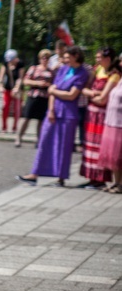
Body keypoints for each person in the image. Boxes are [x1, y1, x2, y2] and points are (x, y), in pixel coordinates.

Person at [17, 46, 89, 187]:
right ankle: (35, 173)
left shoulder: (82, 73)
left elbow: (71, 95)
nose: (65, 59)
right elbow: (52, 90)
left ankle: (61, 177)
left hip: (68, 113)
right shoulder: (63, 69)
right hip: (54, 110)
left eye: (68, 57)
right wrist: (50, 109)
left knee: (64, 145)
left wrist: (55, 91)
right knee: (44, 141)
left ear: (76, 56)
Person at [78, 47, 120, 189]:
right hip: (91, 114)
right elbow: (84, 88)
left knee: (98, 147)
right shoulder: (97, 70)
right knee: (89, 146)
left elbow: (103, 99)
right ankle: (91, 177)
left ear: (107, 59)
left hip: (102, 116)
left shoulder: (114, 75)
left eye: (98, 57)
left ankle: (99, 178)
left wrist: (91, 95)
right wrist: (93, 94)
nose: (96, 60)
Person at [15, 49, 54, 148]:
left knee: (41, 120)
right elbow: (26, 81)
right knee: (26, 118)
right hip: (33, 95)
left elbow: (54, 84)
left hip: (44, 97)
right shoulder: (34, 68)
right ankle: (19, 137)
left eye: (47, 58)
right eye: (43, 58)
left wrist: (47, 84)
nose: (45, 60)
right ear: (40, 59)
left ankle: (39, 140)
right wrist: (37, 83)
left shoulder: (51, 71)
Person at [98, 54, 122, 193]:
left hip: (120, 123)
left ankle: (120, 184)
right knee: (114, 156)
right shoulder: (119, 78)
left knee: (119, 156)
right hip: (112, 121)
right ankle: (115, 182)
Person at [0, 49, 24, 133]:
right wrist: (0, 86)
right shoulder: (5, 64)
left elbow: (20, 78)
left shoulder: (20, 64)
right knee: (5, 107)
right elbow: (1, 77)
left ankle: (15, 127)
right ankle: (4, 127)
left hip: (18, 90)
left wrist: (16, 88)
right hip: (7, 89)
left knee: (17, 109)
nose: (10, 61)